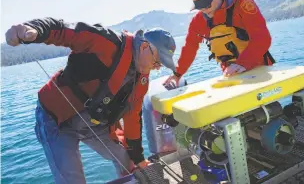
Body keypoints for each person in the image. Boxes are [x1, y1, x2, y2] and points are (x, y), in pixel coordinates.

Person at [5, 17, 177, 184]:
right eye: (157, 61)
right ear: (145, 47)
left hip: (96, 123)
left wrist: (138, 158)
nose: (157, 68)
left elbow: (132, 119)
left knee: (128, 160)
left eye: (161, 65)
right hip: (57, 120)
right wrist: (34, 29)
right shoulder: (106, 41)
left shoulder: (141, 81)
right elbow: (64, 29)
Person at [164, 0, 275, 88]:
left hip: (260, 68)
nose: (205, 10)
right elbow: (189, 48)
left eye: (207, 4)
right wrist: (177, 74)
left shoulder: (243, 4)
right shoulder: (199, 20)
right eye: (200, 6)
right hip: (231, 74)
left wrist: (242, 63)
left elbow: (262, 38)